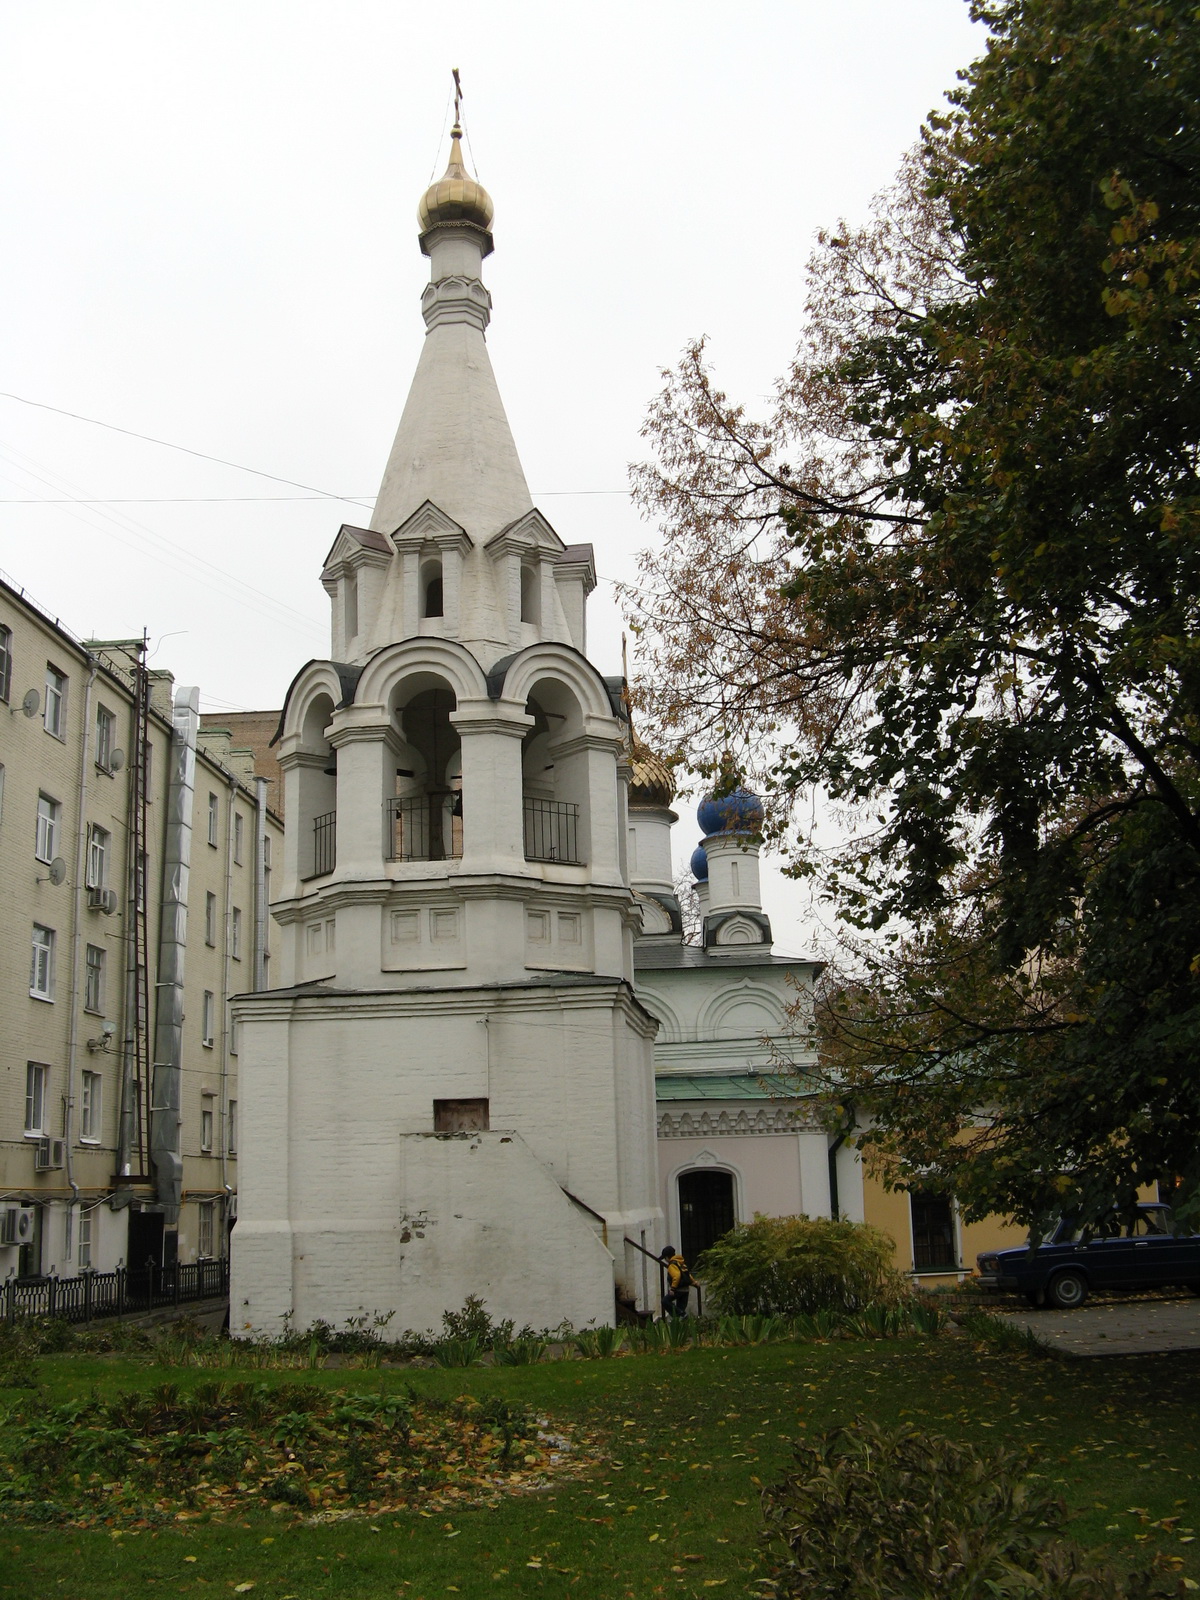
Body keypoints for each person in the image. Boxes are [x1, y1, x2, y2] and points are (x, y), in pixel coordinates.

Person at [659, 1244, 693, 1318]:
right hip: (686, 1290)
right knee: (680, 1309)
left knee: (665, 1301)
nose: (665, 1260)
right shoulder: (680, 1263)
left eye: (665, 1258)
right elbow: (687, 1274)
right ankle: (682, 1317)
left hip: (678, 1290)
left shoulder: (672, 1265)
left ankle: (681, 1314)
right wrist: (694, 1282)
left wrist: (672, 1289)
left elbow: (677, 1276)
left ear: (667, 1257)